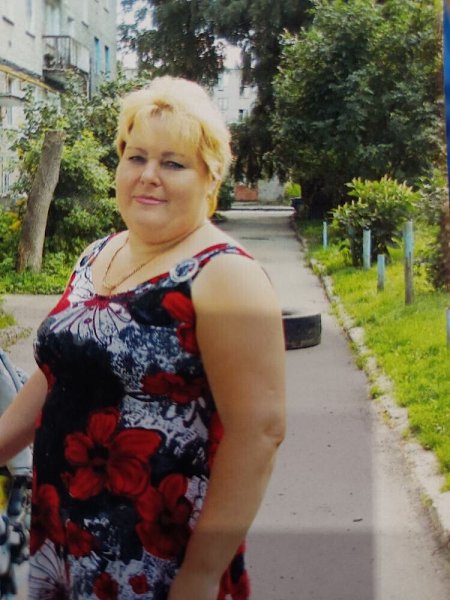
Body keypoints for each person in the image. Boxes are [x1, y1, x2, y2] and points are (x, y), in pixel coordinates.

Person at [0, 76, 286, 600]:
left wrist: (202, 574)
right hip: (63, 533)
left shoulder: (225, 275)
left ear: (209, 178)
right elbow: (56, 374)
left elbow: (259, 433)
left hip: (155, 554)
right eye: (136, 157)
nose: (149, 176)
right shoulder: (99, 254)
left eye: (173, 163)